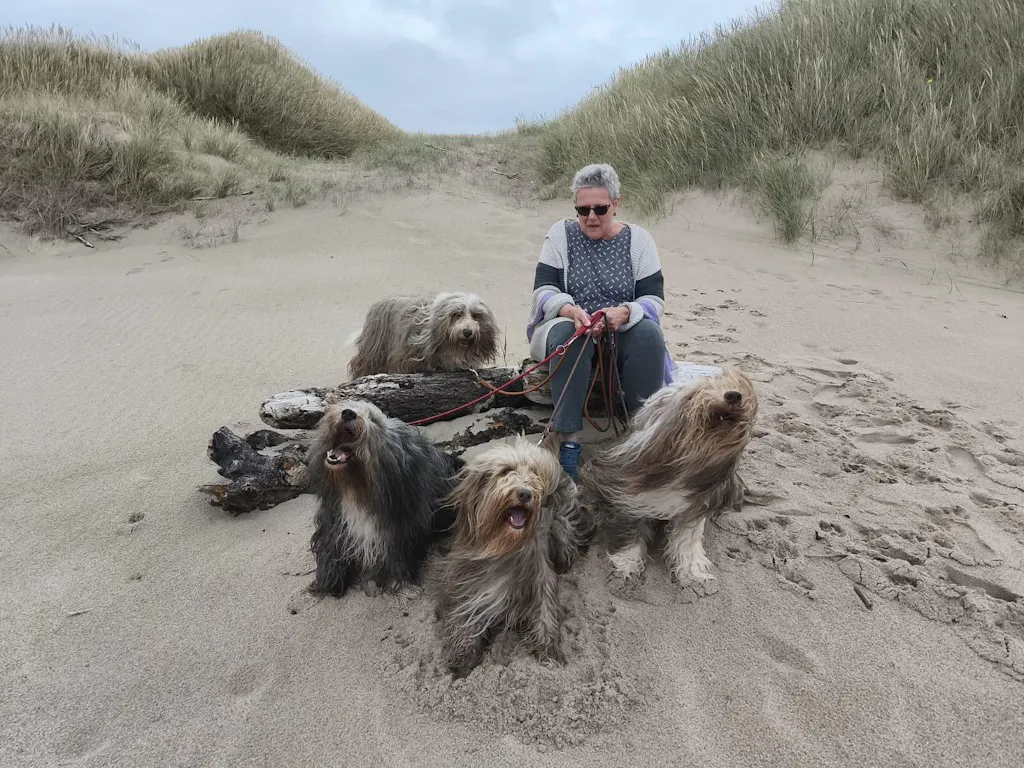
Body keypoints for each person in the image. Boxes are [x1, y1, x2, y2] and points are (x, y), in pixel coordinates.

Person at [526, 162, 673, 480]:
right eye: (583, 209)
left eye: (600, 209)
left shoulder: (639, 241)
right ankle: (568, 444)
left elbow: (653, 301)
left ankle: (641, 435)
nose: (591, 217)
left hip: (618, 328)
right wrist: (569, 310)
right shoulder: (560, 235)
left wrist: (624, 313)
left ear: (616, 204)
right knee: (571, 335)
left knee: (649, 335)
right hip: (567, 325)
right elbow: (543, 292)